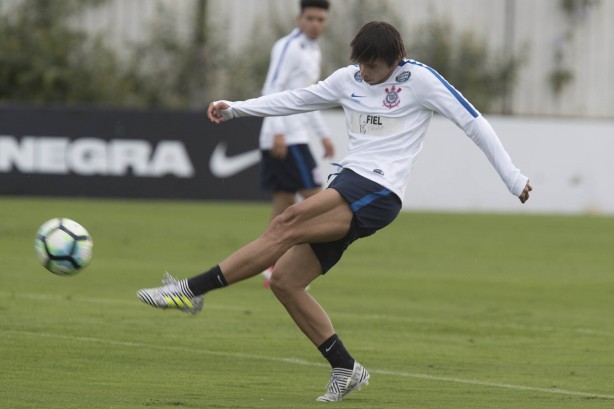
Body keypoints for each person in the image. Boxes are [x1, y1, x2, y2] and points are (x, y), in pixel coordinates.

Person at [137, 21, 532, 402]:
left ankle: (192, 290)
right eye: (360, 63)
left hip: (380, 189)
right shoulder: (348, 79)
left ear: (396, 60)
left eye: (373, 66)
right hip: (349, 180)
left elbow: (474, 123)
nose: (365, 72)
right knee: (286, 282)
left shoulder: (421, 81)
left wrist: (513, 178)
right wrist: (236, 109)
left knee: (287, 221)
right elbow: (295, 98)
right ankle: (346, 368)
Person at [258, 0, 335, 287]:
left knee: (282, 207)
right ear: (299, 18)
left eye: (321, 19)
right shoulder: (288, 46)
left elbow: (309, 99)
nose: (316, 24)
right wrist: (277, 129)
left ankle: (269, 268)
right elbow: (272, 88)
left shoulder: (313, 50)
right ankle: (298, 268)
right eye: (311, 18)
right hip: (286, 139)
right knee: (321, 203)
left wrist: (323, 133)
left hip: (295, 135)